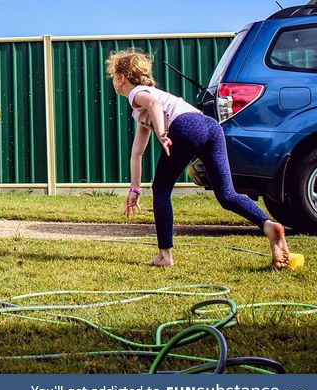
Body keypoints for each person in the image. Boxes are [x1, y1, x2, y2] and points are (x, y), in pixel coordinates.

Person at [105, 49, 290, 269]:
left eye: (113, 76)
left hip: (185, 127)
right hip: (210, 127)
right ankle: (269, 226)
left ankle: (165, 256)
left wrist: (163, 133)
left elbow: (153, 105)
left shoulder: (137, 93)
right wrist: (134, 189)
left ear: (122, 77)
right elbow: (137, 152)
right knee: (227, 195)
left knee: (161, 190)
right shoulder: (142, 108)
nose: (113, 82)